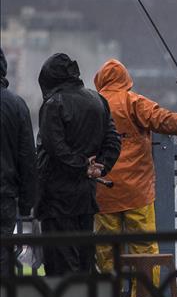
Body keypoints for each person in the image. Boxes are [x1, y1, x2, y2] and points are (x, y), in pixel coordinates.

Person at [93, 59, 177, 290]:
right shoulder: (134, 102)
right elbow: (165, 120)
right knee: (144, 249)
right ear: (125, 80)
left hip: (104, 191)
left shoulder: (94, 105)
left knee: (107, 249)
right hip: (137, 192)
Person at [35, 53, 121, 276]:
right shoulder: (97, 100)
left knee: (60, 259)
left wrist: (81, 165)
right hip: (86, 193)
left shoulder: (54, 104)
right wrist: (99, 166)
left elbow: (55, 148)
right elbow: (113, 140)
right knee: (84, 257)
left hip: (57, 195)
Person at [0, 48, 37, 276]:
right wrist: (26, 202)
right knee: (4, 252)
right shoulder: (16, 105)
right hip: (5, 194)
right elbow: (27, 159)